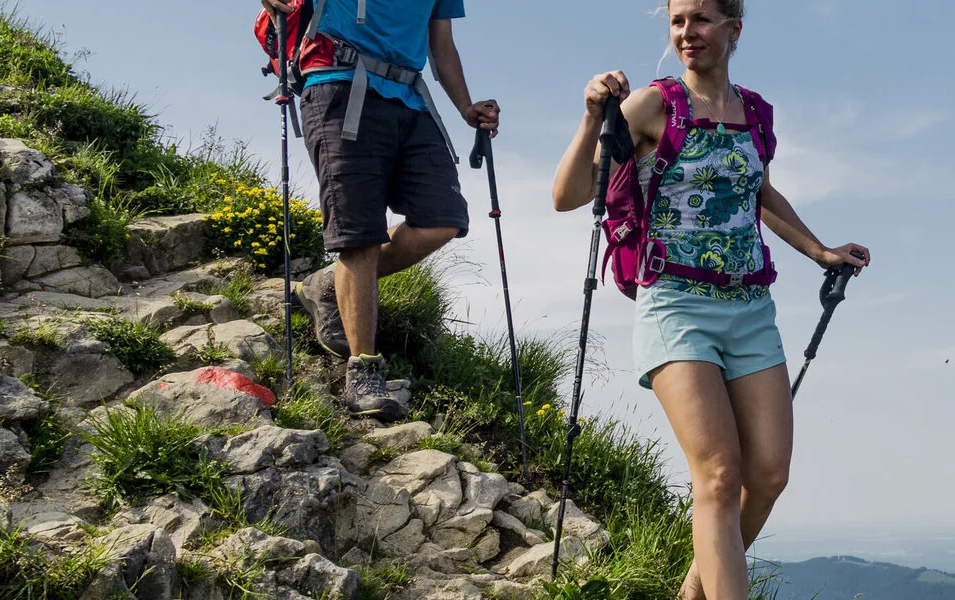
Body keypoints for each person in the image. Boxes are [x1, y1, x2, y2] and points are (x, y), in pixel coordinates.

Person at [551, 2, 870, 597]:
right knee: (719, 476)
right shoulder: (651, 104)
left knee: (769, 474)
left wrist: (820, 252)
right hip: (675, 302)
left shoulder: (753, 113)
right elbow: (567, 195)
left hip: (750, 308)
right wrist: (593, 117)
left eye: (699, 18)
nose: (685, 33)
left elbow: (759, 193)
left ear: (734, 29)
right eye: (676, 21)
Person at [259, 0, 500, 420]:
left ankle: (325, 285)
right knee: (360, 234)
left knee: (443, 220)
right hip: (336, 82)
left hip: (409, 96)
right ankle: (364, 372)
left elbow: (441, 45)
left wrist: (464, 107)